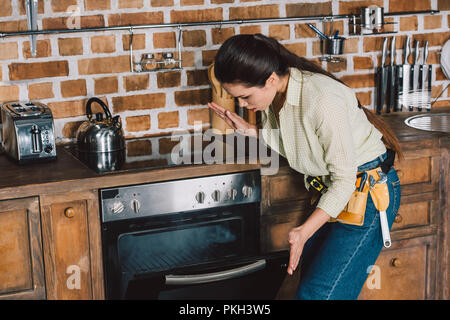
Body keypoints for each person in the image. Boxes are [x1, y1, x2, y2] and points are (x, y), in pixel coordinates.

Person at [208, 33, 402, 300]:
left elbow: (344, 180)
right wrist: (253, 132)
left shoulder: (322, 100)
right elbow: (302, 144)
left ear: (270, 79)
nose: (242, 104)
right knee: (312, 289)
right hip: (333, 191)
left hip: (367, 193)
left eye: (245, 96)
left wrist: (303, 231)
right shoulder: (276, 96)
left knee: (318, 294)